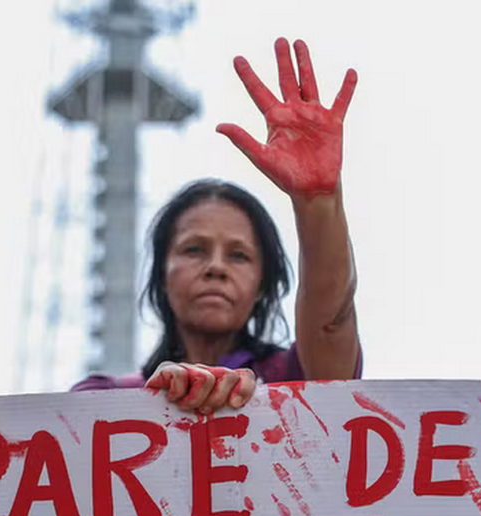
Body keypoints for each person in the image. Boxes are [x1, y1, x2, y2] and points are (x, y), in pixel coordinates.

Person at [72, 37, 360, 413]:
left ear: (262, 285)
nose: (216, 268)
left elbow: (332, 325)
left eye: (239, 255)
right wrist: (157, 404)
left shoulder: (297, 378)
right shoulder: (102, 399)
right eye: (194, 249)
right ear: (161, 274)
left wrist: (318, 201)